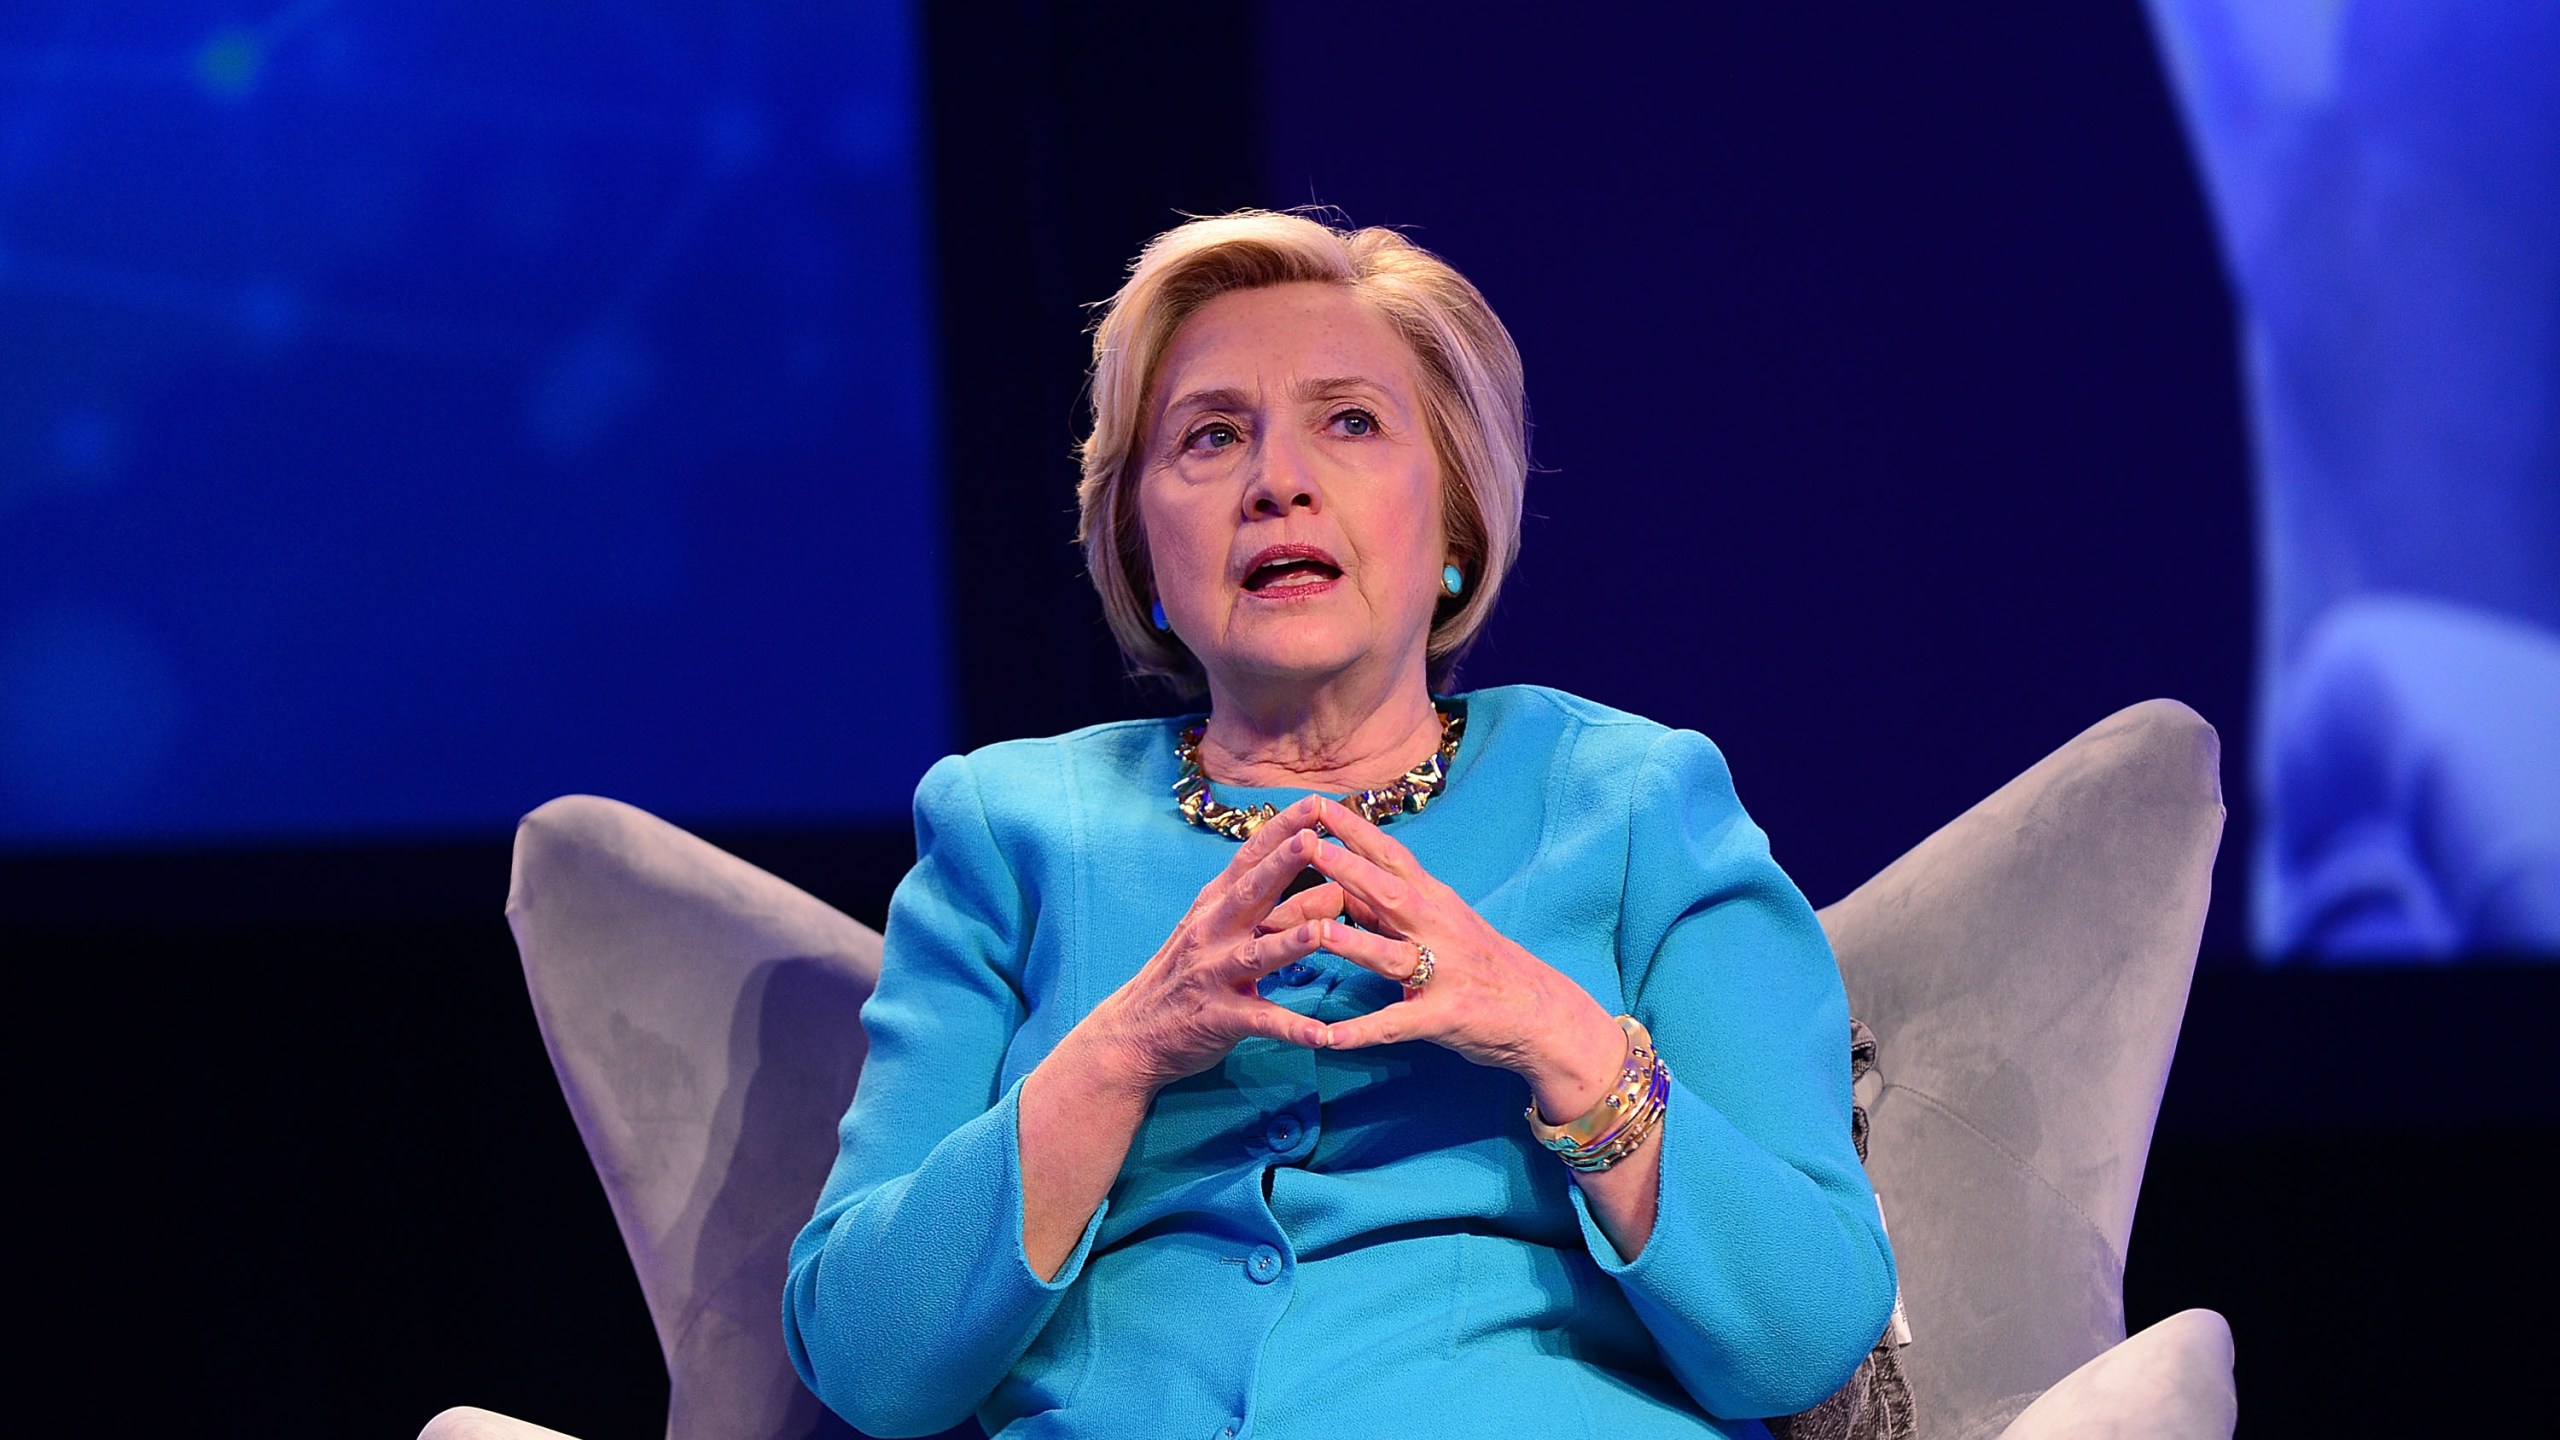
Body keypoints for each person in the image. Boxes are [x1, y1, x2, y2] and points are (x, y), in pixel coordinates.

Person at [783, 210, 1898, 1439]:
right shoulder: (1008, 832)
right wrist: (1124, 1052)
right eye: (1210, 437)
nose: (1277, 482)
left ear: (1456, 529)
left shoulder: (1635, 806)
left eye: (1350, 422)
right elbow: (870, 1363)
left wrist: (1556, 1035)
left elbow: (1798, 1337)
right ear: (1143, 551)